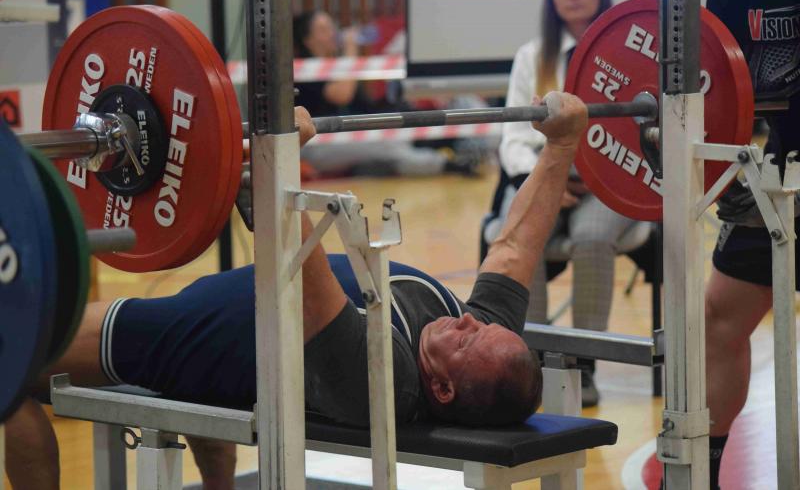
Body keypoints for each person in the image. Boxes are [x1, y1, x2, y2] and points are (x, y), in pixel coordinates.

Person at [6, 94, 589, 489]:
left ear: (441, 388)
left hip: (180, 337)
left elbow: (297, 260)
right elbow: (514, 247)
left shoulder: (381, 380)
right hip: (224, 334)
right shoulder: (482, 343)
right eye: (480, 324)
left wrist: (278, 160)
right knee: (202, 387)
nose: (468, 321)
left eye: (466, 341)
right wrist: (562, 145)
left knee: (9, 370)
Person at [485, 0, 632, 407]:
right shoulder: (532, 57)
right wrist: (545, 180)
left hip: (604, 184)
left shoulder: (625, 55)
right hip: (544, 175)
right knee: (520, 236)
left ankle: (584, 364)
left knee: (592, 236)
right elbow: (513, 137)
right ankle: (530, 360)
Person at [702, 0, 800, 489]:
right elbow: (717, 77)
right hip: (786, 164)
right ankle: (700, 473)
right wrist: (722, 171)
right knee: (720, 316)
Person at [293, 10, 479, 177]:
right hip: (317, 144)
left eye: (332, 27)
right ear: (307, 40)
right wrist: (351, 50)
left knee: (396, 126)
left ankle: (455, 149)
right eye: (324, 30)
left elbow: (365, 108)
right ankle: (448, 164)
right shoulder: (303, 71)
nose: (333, 34)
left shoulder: (336, 67)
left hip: (350, 137)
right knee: (388, 146)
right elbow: (342, 96)